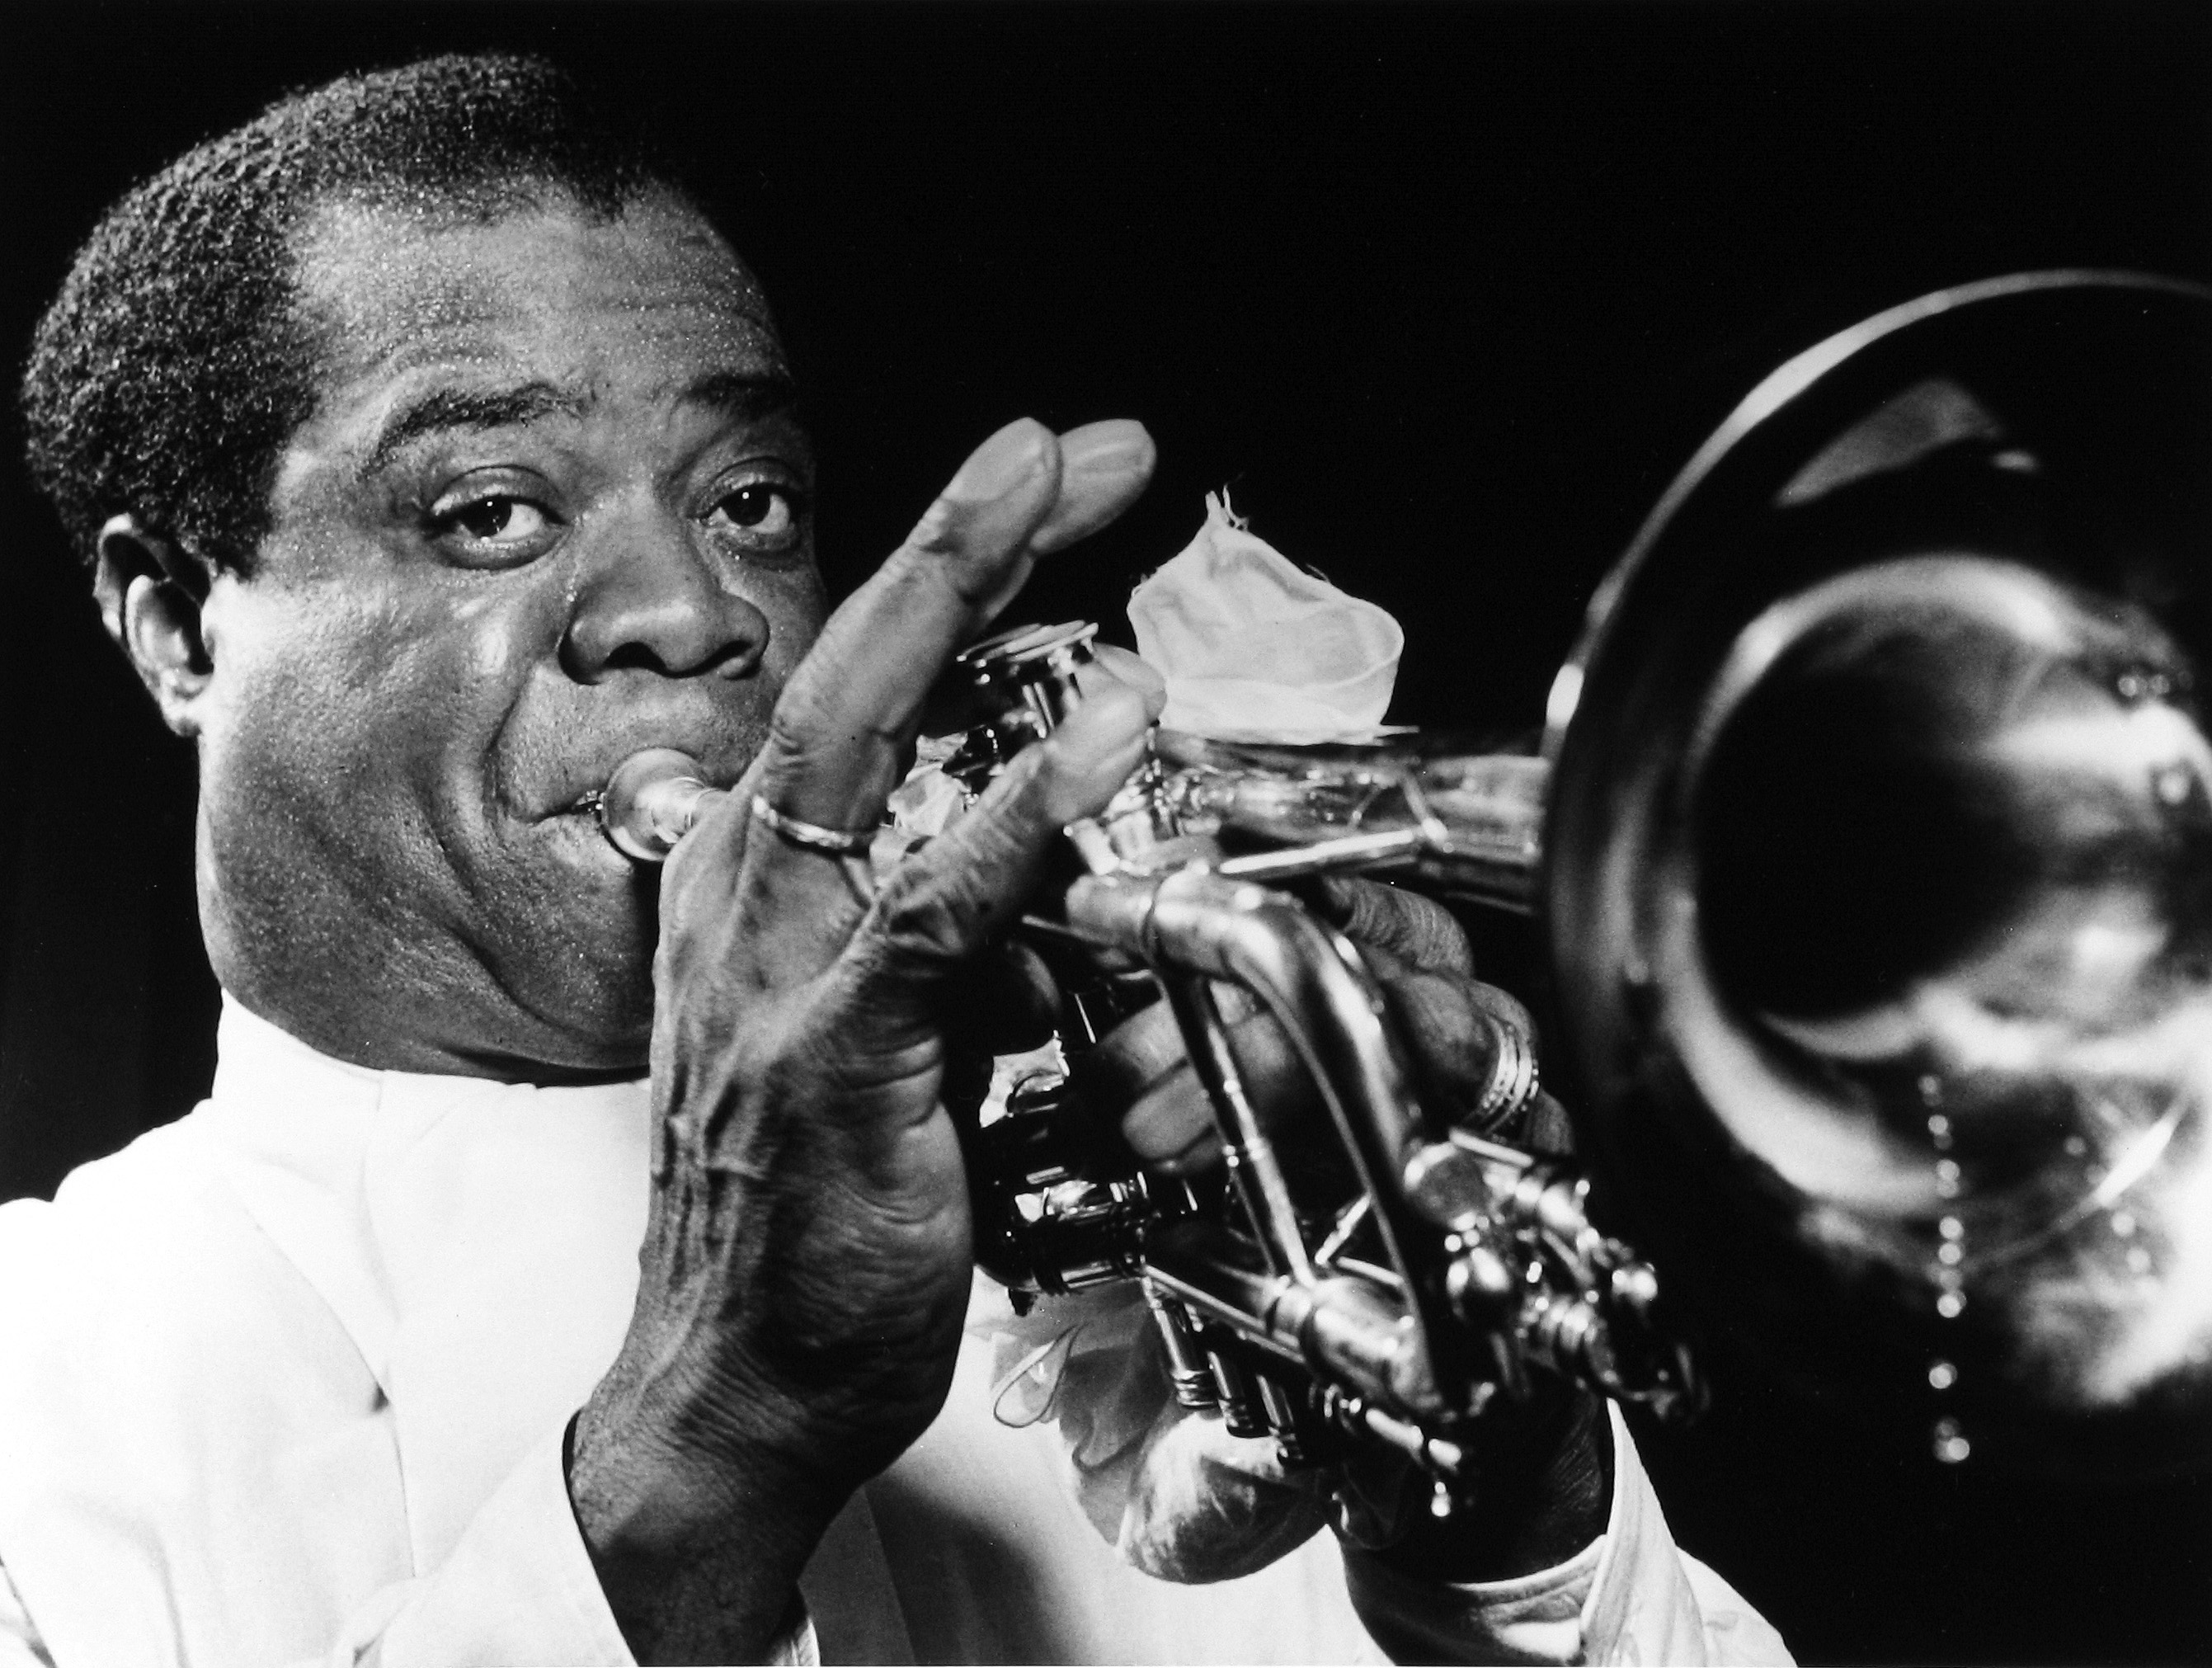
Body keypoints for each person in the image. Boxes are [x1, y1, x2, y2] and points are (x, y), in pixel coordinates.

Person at [2, 53, 1786, 1666]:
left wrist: (1516, 1505)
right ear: (175, 624)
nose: (693, 614)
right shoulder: (44, 1374)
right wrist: (711, 1436)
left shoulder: (1168, 1193)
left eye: (749, 500)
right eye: (490, 510)